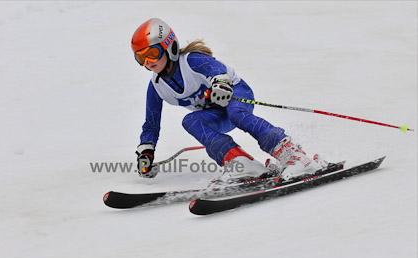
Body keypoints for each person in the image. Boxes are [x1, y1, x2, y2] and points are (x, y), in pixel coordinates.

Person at [131, 18, 323, 181]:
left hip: (236, 94)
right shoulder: (157, 87)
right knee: (190, 120)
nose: (148, 62)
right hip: (216, 114)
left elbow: (215, 69)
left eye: (152, 54)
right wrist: (146, 151)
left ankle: (294, 155)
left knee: (236, 113)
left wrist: (220, 83)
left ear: (168, 46)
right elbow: (151, 124)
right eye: (141, 58)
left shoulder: (191, 61)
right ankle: (241, 163)